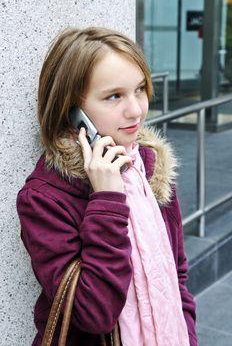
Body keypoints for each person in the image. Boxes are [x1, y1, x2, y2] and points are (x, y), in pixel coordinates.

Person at [16, 27, 198, 346]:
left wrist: (189, 336)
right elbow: (95, 314)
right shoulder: (45, 197)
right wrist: (108, 199)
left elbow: (177, 277)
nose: (136, 110)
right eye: (114, 96)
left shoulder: (149, 167)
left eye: (139, 89)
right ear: (73, 110)